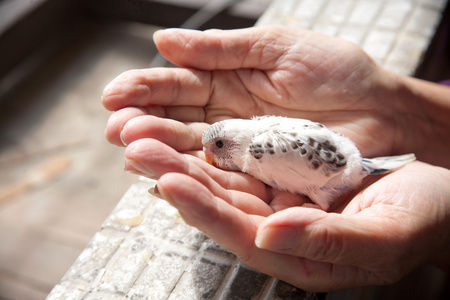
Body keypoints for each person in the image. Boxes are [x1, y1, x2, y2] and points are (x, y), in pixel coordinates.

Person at [101, 26, 450, 292]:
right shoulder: (259, 132)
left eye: (218, 146)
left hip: (343, 172)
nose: (212, 157)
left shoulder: (262, 149)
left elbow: (328, 167)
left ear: (234, 139)